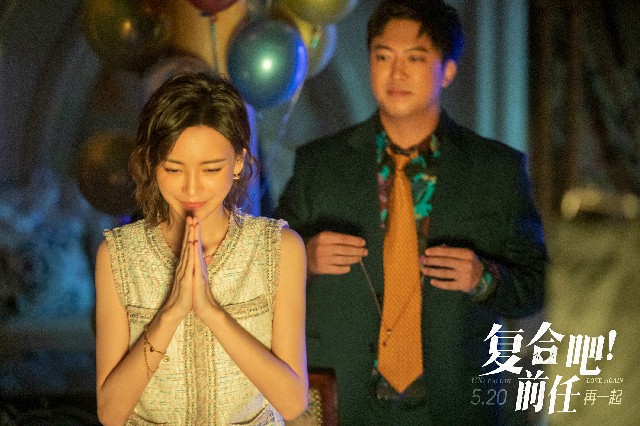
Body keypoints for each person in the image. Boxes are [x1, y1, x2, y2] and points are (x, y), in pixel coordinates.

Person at [274, 0, 547, 424]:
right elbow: (264, 265)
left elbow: (536, 285)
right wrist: (304, 257)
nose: (396, 73)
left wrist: (483, 278)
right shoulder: (320, 164)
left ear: (447, 70)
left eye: (415, 59)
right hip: (343, 399)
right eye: (383, 57)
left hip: (455, 401)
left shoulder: (495, 171)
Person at [94, 73, 308, 425]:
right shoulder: (118, 255)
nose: (192, 188)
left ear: (238, 161)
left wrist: (211, 312)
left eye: (210, 169)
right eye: (173, 168)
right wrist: (171, 312)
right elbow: (110, 412)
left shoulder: (278, 249)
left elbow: (293, 402)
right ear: (151, 163)